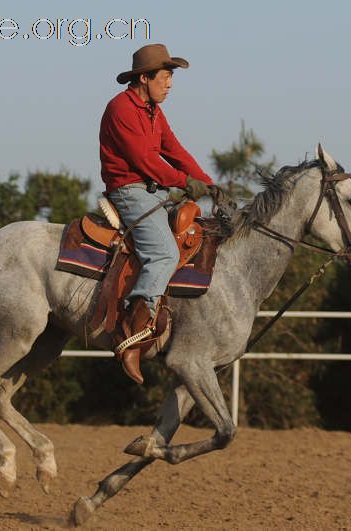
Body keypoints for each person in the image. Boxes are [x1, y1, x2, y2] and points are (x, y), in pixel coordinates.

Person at [99, 43, 214, 384]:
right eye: (165, 77)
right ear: (145, 78)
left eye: (170, 78)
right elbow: (144, 162)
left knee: (194, 235)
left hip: (154, 191)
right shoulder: (120, 108)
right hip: (129, 191)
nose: (170, 84)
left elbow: (173, 149)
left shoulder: (153, 111)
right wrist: (185, 182)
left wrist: (207, 182)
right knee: (164, 252)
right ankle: (132, 337)